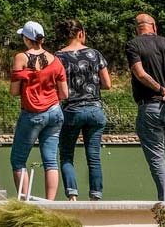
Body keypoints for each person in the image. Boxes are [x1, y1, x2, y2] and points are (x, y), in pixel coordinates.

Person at [9, 21, 68, 200]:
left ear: (27, 39)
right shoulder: (56, 60)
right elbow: (64, 93)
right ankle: (50, 203)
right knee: (50, 160)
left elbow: (13, 91)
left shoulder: (21, 58)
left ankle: (23, 201)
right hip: (55, 112)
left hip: (33, 113)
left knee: (18, 160)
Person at [55, 18, 110, 201]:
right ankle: (96, 196)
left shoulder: (58, 57)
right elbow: (107, 84)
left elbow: (57, 87)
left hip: (71, 110)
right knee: (93, 156)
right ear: (81, 33)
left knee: (67, 155)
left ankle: (72, 196)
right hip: (95, 109)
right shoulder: (95, 54)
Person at [125, 13, 165, 200]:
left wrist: (160, 89)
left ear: (137, 29)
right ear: (154, 26)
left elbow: (140, 74)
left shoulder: (133, 44)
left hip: (150, 106)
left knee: (157, 158)